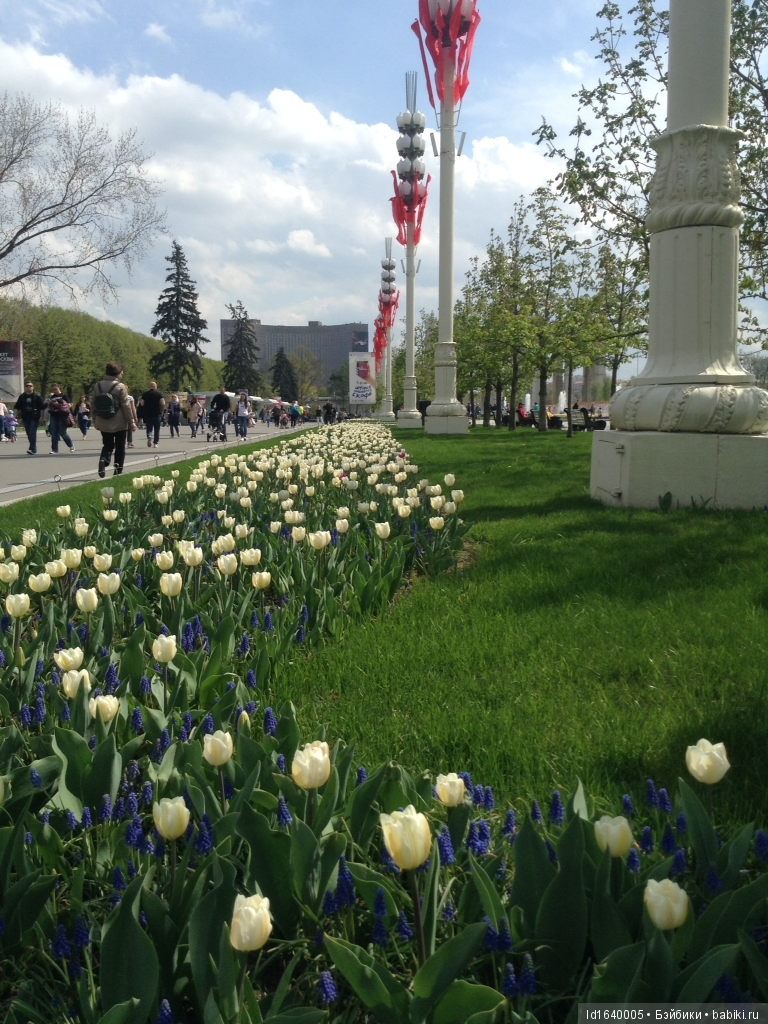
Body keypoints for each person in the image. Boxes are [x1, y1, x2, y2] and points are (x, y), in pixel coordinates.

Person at [91, 362, 137, 478]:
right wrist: (131, 421)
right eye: (121, 372)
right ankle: (118, 470)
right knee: (120, 446)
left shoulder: (98, 386)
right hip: (119, 421)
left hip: (103, 420)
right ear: (117, 373)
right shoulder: (120, 387)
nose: (122, 374)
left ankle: (104, 460)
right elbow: (126, 405)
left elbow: (93, 403)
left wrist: (94, 418)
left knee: (107, 444)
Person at [15, 381, 45, 455]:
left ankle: (33, 449)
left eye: (30, 386)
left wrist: (42, 417)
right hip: (25, 417)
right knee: (28, 433)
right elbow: (17, 407)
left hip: (34, 417)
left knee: (32, 432)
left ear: (33, 387)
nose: (28, 387)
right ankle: (32, 447)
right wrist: (15, 416)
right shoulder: (22, 396)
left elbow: (42, 407)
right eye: (27, 386)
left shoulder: (37, 396)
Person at [47, 383, 76, 453]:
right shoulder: (51, 397)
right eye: (53, 390)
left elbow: (69, 405)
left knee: (63, 432)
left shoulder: (64, 396)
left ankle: (71, 445)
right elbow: (49, 408)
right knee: (54, 433)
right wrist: (50, 404)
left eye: (56, 389)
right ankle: (54, 449)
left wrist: (59, 405)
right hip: (54, 416)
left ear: (59, 388)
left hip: (62, 416)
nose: (54, 391)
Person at [139, 381, 165, 448]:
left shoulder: (145, 394)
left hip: (148, 414)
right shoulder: (159, 394)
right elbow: (163, 403)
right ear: (155, 386)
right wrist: (162, 410)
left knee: (149, 428)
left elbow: (142, 404)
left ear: (149, 386)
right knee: (157, 429)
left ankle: (149, 435)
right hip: (157, 414)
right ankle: (155, 443)